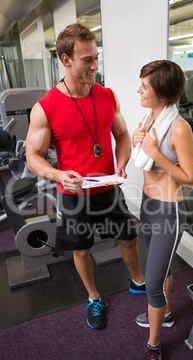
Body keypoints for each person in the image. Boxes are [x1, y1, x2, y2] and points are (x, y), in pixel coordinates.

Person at [25, 23, 145, 330]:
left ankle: (137, 281)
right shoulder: (45, 108)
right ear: (66, 60)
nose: (95, 65)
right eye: (87, 60)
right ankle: (93, 298)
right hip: (75, 194)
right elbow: (32, 156)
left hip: (108, 187)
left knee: (130, 236)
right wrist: (58, 174)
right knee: (81, 248)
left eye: (96, 57)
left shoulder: (106, 95)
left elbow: (121, 136)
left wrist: (122, 162)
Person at [132, 60, 193, 360]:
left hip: (168, 212)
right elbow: (144, 160)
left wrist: (154, 153)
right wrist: (138, 144)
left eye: (145, 86)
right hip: (147, 205)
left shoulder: (179, 128)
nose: (139, 90)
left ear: (162, 91)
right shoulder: (151, 118)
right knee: (161, 269)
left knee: (152, 285)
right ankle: (167, 315)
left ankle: (154, 345)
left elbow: (190, 179)